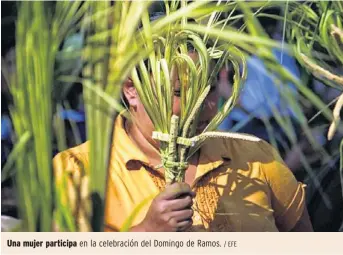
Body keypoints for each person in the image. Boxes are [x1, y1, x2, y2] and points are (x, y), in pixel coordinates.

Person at [53, 46, 313, 232]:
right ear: (133, 91)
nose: (203, 106)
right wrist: (147, 234)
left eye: (209, 89)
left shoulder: (256, 156)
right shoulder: (78, 170)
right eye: (180, 91)